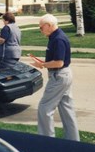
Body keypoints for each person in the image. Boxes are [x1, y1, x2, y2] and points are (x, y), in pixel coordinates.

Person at [30, 13, 79, 141]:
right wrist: (44, 64)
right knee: (66, 109)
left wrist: (42, 65)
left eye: (41, 27)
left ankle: (47, 142)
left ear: (49, 25)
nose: (40, 30)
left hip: (59, 75)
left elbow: (59, 62)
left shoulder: (58, 39)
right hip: (63, 75)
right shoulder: (55, 37)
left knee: (44, 107)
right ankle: (74, 142)